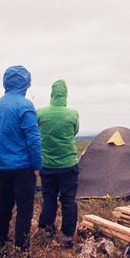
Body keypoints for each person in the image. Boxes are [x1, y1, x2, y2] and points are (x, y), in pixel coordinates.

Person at [0, 65, 43, 254]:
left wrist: (1, 159)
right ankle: (22, 253)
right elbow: (33, 139)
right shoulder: (25, 105)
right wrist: (37, 165)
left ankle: (0, 248)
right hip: (23, 167)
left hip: (4, 166)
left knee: (4, 207)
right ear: (25, 84)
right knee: (24, 211)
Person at [36, 79, 80, 249]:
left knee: (49, 198)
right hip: (68, 164)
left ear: (52, 94)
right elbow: (74, 131)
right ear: (65, 95)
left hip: (46, 164)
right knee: (68, 200)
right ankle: (68, 237)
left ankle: (47, 231)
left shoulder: (40, 113)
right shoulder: (73, 113)